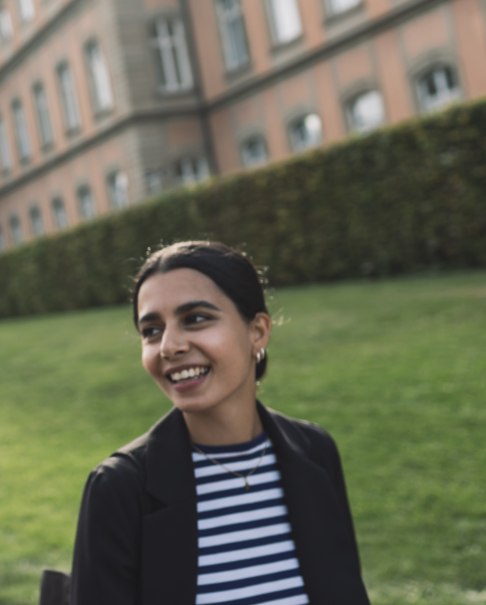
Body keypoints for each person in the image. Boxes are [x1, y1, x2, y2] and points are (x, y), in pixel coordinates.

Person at [70, 241, 369, 605]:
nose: (169, 346)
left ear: (257, 331)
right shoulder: (120, 488)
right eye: (151, 330)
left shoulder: (315, 451)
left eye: (195, 318)